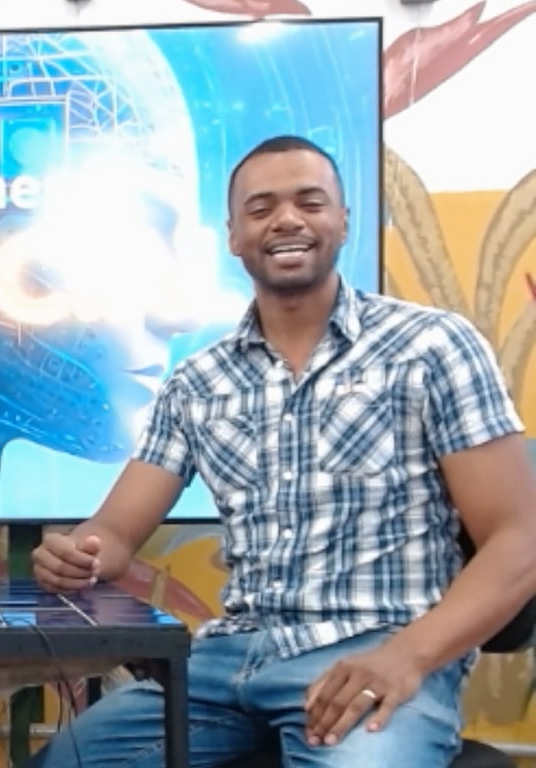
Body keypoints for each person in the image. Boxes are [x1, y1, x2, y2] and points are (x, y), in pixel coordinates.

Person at [28, 135, 536, 767]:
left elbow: (519, 541)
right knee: (65, 761)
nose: (287, 220)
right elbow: (115, 531)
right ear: (234, 236)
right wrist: (79, 554)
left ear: (343, 221)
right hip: (225, 662)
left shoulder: (433, 347)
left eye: (310, 202)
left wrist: (408, 656)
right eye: (262, 208)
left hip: (374, 651)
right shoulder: (197, 381)